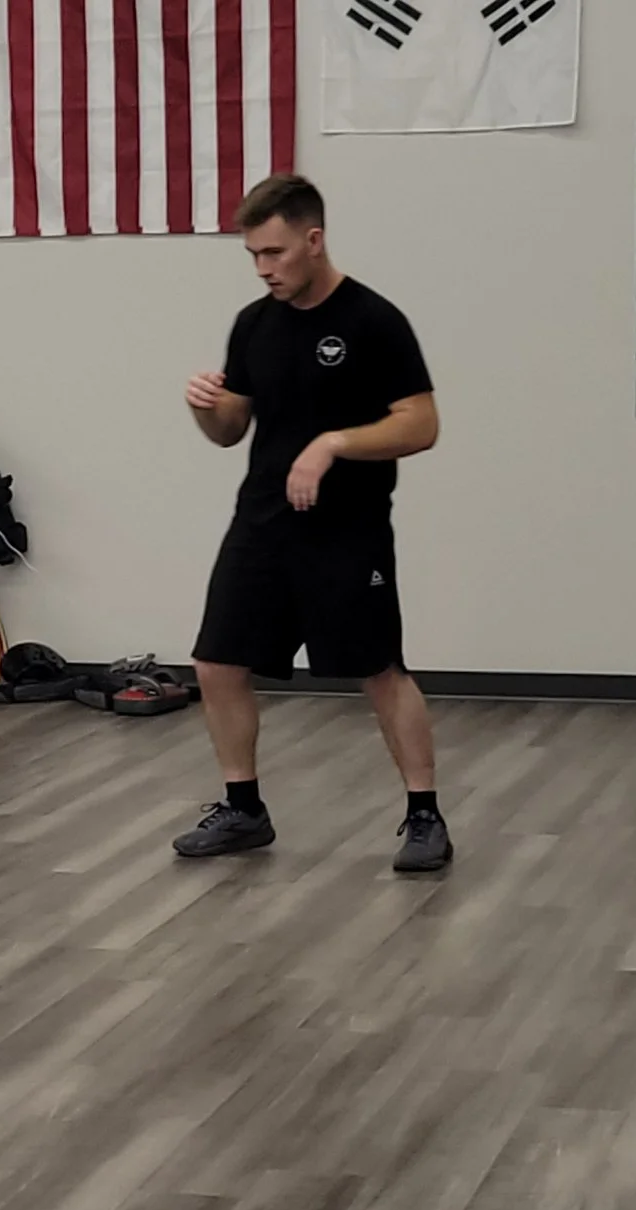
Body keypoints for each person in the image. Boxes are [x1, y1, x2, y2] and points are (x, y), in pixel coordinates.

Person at [177, 174, 450, 872]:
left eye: (274, 253)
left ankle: (425, 815)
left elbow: (421, 424)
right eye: (254, 257)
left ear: (313, 239)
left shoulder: (373, 322)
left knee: (379, 670)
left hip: (348, 529)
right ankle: (244, 808)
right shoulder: (255, 324)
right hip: (263, 523)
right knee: (216, 662)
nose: (265, 268)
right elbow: (230, 430)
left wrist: (333, 444)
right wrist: (206, 405)